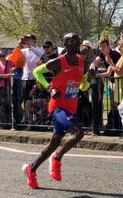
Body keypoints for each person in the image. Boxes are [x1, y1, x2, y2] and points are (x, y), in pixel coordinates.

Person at [22, 33, 92, 189]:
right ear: (65, 44)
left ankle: (31, 169)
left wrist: (89, 78)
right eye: (72, 41)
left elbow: (83, 87)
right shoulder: (58, 62)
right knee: (78, 133)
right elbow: (36, 72)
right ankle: (57, 158)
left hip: (70, 108)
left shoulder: (82, 63)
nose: (76, 43)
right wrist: (49, 88)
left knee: (54, 142)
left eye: (77, 40)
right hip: (58, 106)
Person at [21, 35, 44, 130]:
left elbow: (40, 54)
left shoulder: (39, 49)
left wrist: (31, 47)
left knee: (38, 102)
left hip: (36, 80)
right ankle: (30, 123)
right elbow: (14, 56)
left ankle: (40, 119)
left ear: (34, 40)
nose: (27, 41)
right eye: (26, 39)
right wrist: (19, 44)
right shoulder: (24, 51)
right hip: (26, 79)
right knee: (27, 103)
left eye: (29, 39)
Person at [0, 51, 14, 126]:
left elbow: (11, 74)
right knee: (2, 104)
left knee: (9, 104)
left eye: (3, 55)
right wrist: (1, 75)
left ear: (6, 55)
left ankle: (11, 121)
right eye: (0, 56)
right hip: (1, 87)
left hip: (9, 86)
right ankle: (4, 121)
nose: (1, 57)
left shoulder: (10, 62)